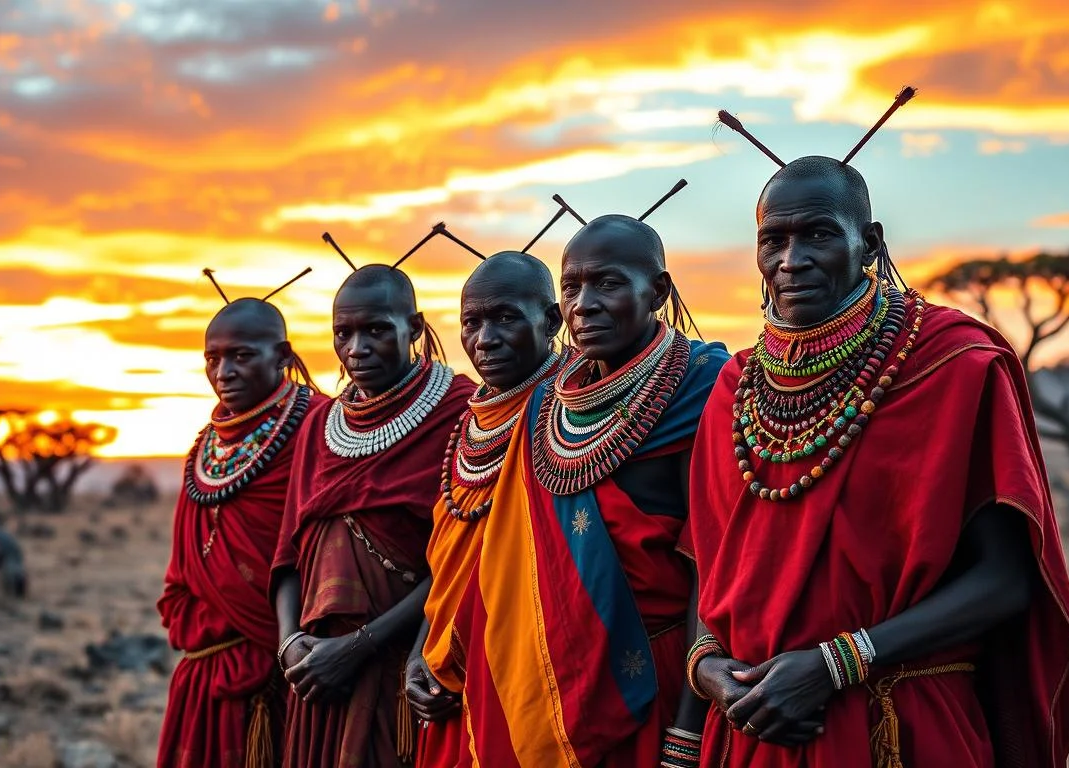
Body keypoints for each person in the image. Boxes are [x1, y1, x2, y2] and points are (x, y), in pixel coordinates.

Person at [684, 154, 1069, 767]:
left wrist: (836, 664)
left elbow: (1007, 579)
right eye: (773, 241)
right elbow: (712, 579)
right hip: (754, 731)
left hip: (901, 726)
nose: (792, 261)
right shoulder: (734, 389)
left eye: (818, 234)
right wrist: (708, 669)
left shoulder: (953, 363)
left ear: (869, 243)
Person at [441, 214, 728, 766]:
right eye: (572, 286)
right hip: (558, 675)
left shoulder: (703, 387)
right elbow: (510, 571)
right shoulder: (545, 409)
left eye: (609, 283)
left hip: (664, 675)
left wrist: (689, 729)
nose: (584, 304)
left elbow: (709, 564)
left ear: (659, 292)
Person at [271, 264, 475, 768]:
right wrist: (291, 646)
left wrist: (359, 647)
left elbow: (461, 560)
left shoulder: (461, 409)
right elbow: (289, 553)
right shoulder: (320, 423)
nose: (356, 348)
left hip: (406, 663)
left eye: (377, 329)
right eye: (344, 333)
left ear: (416, 327)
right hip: (317, 672)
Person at [403, 251, 569, 767]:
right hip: (449, 678)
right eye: (471, 323)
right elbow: (445, 570)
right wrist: (418, 654)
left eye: (506, 318)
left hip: (537, 676)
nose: (485, 340)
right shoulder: (469, 427)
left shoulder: (575, 413)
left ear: (552, 320)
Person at [158, 297, 322, 768]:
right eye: (213, 358)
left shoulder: (323, 429)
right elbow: (180, 580)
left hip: (299, 669)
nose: (223, 371)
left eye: (242, 355)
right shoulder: (203, 451)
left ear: (284, 356)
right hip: (209, 671)